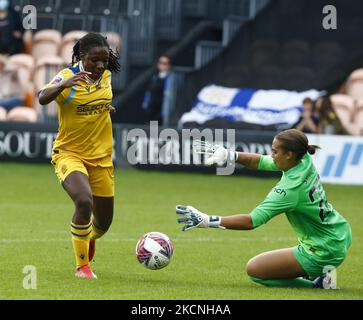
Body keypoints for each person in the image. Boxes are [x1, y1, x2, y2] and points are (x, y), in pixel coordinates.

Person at [177, 129, 352, 289]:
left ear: (289, 154)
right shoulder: (303, 159)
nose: (272, 155)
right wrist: (229, 154)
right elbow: (260, 161)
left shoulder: (288, 190)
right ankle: (322, 273)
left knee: (255, 270)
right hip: (339, 232)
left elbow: (251, 221)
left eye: (275, 151)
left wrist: (207, 220)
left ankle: (317, 285)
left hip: (323, 250)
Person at [38, 33, 121, 279]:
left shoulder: (105, 77)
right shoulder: (67, 76)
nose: (100, 65)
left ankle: (89, 238)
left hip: (102, 158)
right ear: (82, 57)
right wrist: (63, 85)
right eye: (95, 60)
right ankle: (82, 267)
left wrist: (105, 107)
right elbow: (43, 97)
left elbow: (97, 102)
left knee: (104, 223)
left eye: (104, 60)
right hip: (69, 153)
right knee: (84, 201)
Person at [143, 55, 174, 126]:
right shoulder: (154, 78)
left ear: (169, 65)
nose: (162, 65)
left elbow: (169, 96)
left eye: (165, 63)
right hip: (151, 109)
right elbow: (149, 92)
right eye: (161, 63)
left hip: (162, 110)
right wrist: (146, 103)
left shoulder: (171, 79)